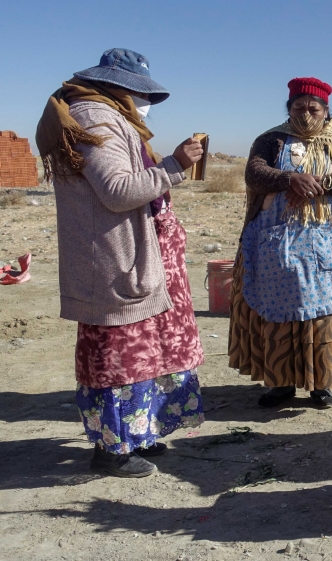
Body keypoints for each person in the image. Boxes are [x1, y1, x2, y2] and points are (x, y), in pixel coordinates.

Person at [36, 48, 206, 477]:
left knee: (144, 352)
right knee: (120, 357)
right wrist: (175, 166)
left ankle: (138, 435)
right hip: (116, 260)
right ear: (117, 88)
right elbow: (117, 191)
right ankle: (112, 450)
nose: (142, 102)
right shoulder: (96, 118)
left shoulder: (107, 117)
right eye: (136, 91)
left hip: (130, 256)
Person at [229, 77, 332, 408]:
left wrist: (315, 184)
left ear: (326, 111)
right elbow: (254, 173)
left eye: (314, 108)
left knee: (323, 311)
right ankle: (280, 383)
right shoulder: (271, 140)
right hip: (276, 243)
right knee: (276, 310)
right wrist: (288, 179)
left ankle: (321, 383)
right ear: (289, 108)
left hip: (328, 243)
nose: (306, 113)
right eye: (299, 107)